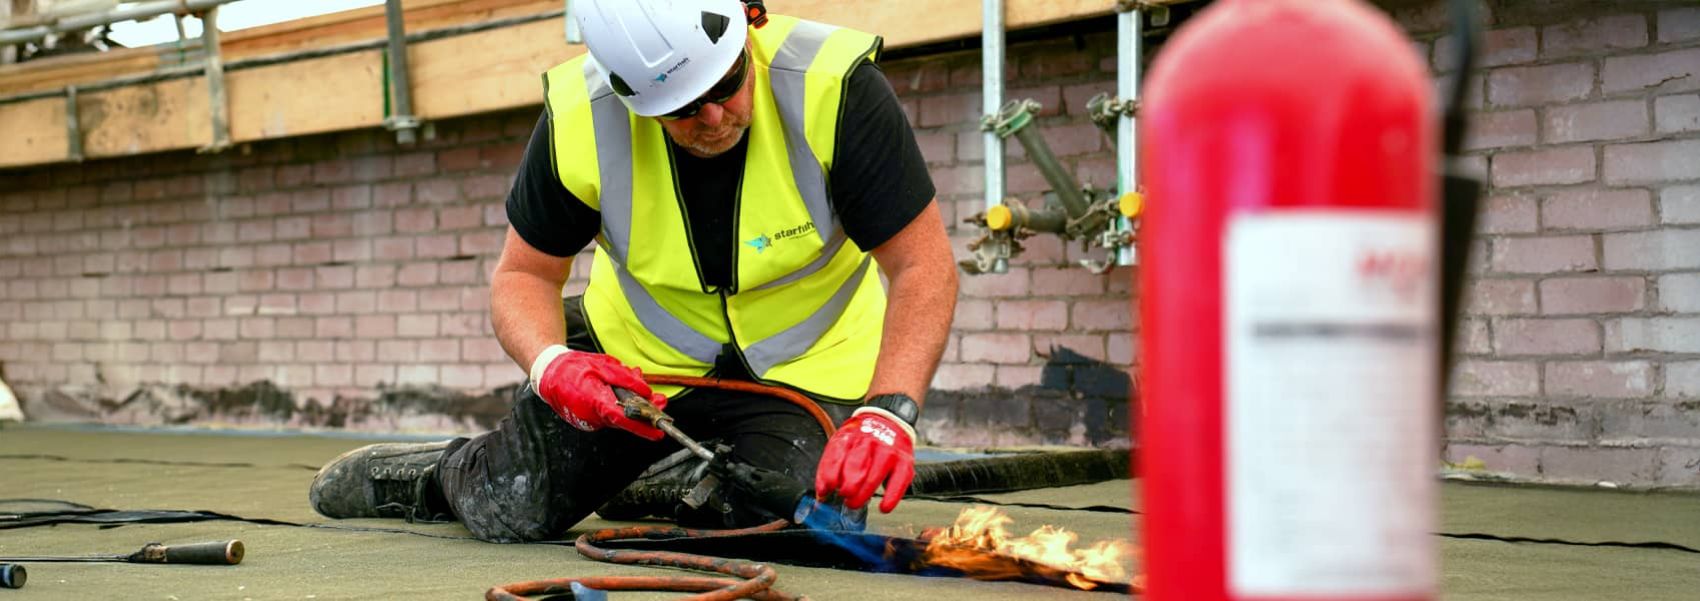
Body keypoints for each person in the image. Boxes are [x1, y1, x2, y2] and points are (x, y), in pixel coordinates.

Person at [308, 0, 957, 542]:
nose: (713, 117)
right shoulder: (582, 115)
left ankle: (671, 478)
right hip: (636, 368)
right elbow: (522, 277)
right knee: (515, 508)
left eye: (726, 83)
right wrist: (552, 365)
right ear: (625, 90)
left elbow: (922, 264)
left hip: (807, 371)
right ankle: (443, 473)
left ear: (748, 20)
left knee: (802, 528)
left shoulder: (835, 88)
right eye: (680, 107)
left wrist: (888, 411)